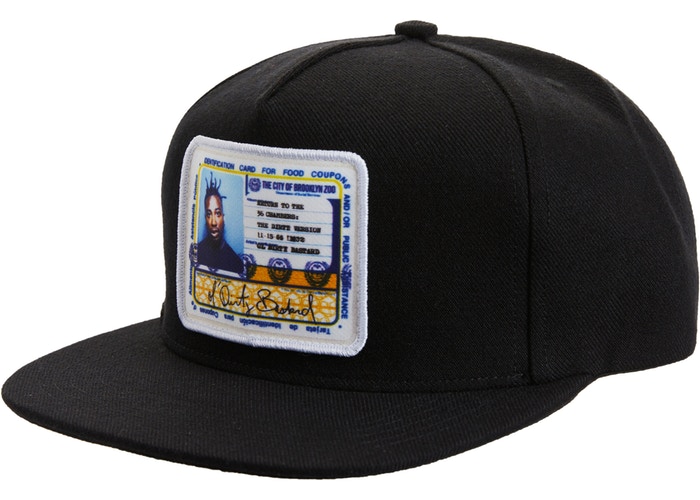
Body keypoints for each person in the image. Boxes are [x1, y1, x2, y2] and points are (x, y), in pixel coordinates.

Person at [197, 172, 244, 273]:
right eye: (209, 214)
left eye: (218, 213)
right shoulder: (197, 253)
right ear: (205, 219)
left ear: (223, 218)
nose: (213, 222)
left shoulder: (236, 263)